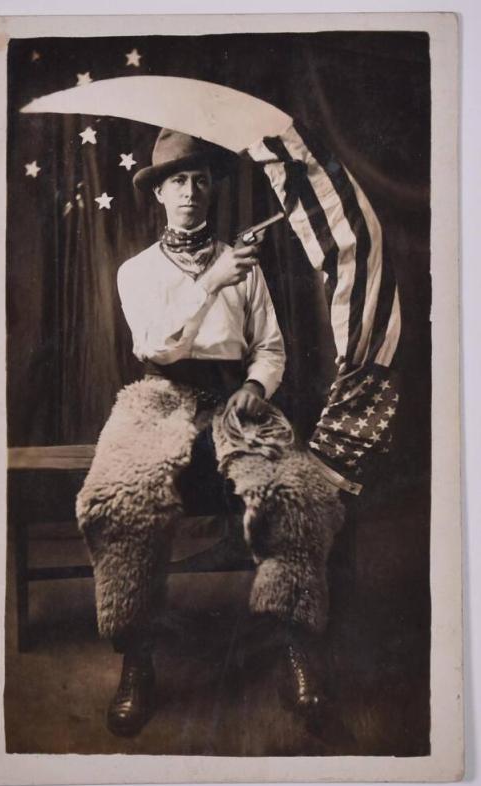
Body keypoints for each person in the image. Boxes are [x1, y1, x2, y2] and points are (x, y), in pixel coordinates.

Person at [76, 128, 346, 737]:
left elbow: (270, 348)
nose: (191, 192)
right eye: (178, 181)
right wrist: (209, 282)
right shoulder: (137, 271)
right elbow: (153, 346)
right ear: (160, 194)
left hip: (234, 400)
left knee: (300, 491)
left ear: (210, 189)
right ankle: (137, 658)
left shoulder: (244, 264)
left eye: (200, 180)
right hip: (161, 397)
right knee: (120, 495)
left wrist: (255, 388)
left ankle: (295, 642)